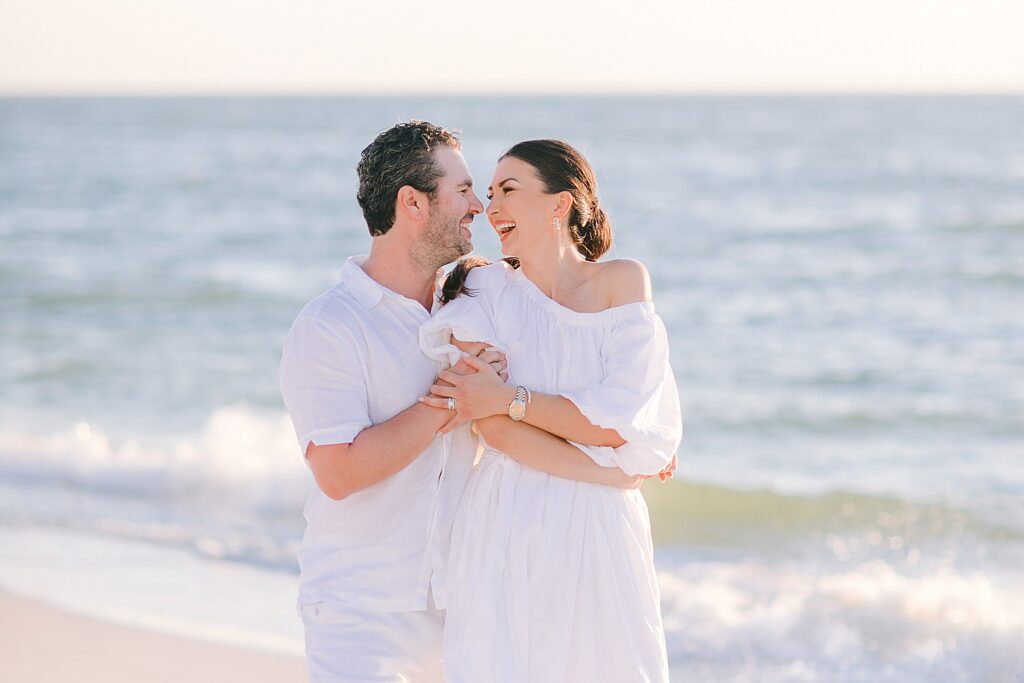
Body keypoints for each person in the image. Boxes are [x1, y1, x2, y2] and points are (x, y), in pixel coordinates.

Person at [279, 122, 645, 683]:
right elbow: (338, 472)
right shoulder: (331, 325)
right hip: (363, 609)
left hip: (470, 605)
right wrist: (454, 401)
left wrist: (632, 444)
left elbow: (570, 378)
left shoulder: (481, 301)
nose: (480, 205)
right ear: (412, 204)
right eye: (465, 190)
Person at [417, 139, 683, 682]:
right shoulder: (481, 291)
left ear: (560, 203)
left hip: (599, 524)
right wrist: (608, 470)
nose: (492, 208)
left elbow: (619, 422)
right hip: (507, 515)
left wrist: (515, 401)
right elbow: (492, 427)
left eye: (509, 191)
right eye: (489, 194)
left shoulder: (622, 283)